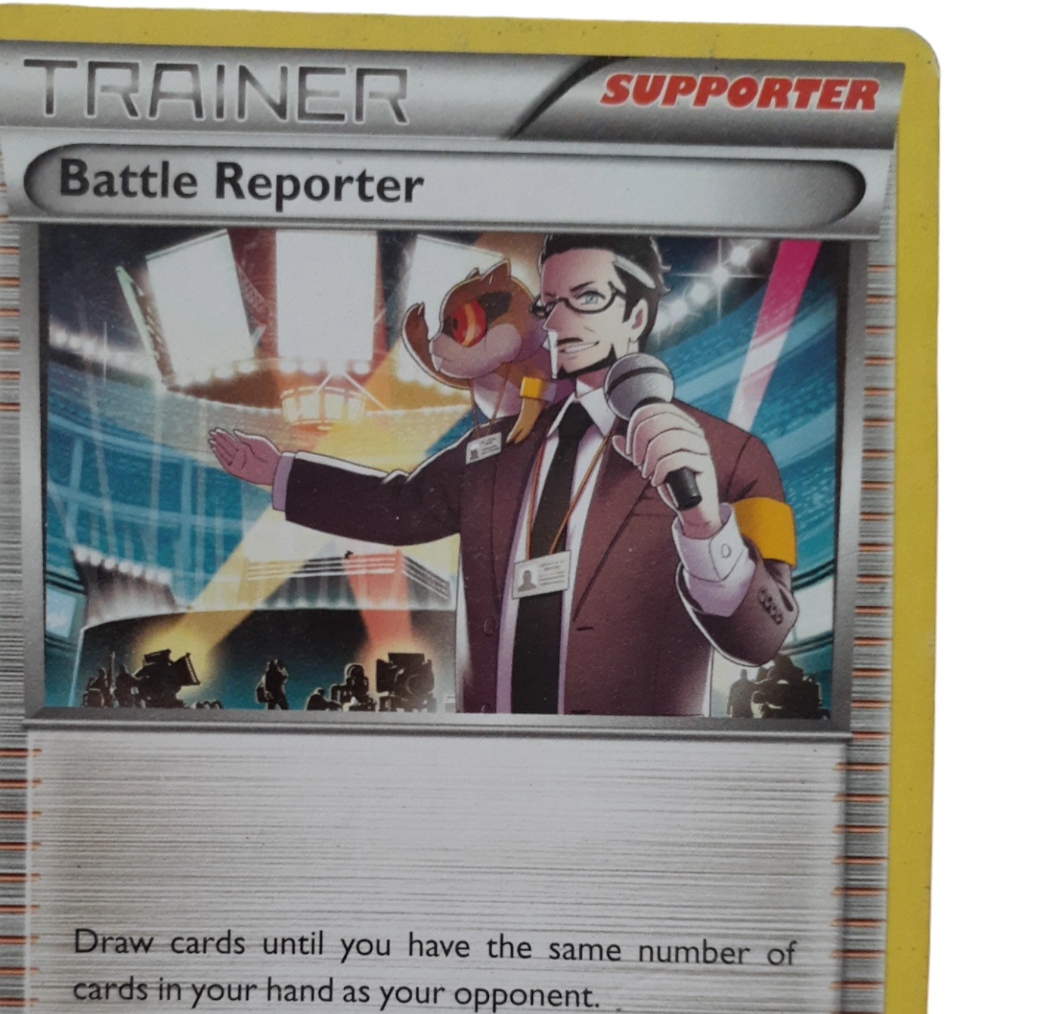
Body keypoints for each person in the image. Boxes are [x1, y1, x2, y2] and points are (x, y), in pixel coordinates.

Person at [210, 234, 797, 716]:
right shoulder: (496, 445)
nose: (557, 321)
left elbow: (764, 636)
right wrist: (283, 473)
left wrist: (704, 526)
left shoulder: (732, 456)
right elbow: (401, 506)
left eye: (586, 298)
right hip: (491, 770)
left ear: (636, 315)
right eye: (548, 303)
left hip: (627, 783)